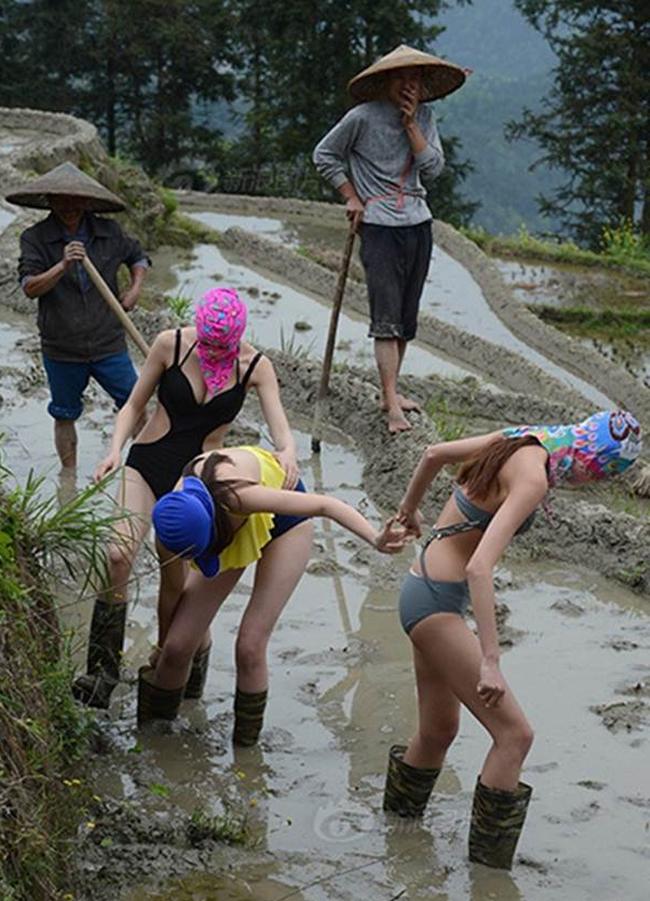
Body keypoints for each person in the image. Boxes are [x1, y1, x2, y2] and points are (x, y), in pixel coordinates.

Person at [383, 410, 642, 869]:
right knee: (514, 736)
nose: (587, 484)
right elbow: (479, 567)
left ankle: (395, 839)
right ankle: (488, 876)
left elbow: (434, 453)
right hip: (436, 604)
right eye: (598, 476)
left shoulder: (522, 437)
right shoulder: (534, 478)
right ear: (592, 463)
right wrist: (491, 660)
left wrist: (408, 512)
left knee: (438, 732)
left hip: (422, 589)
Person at [72, 287, 301, 710]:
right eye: (207, 342)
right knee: (118, 554)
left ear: (237, 337)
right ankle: (101, 672)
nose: (211, 351)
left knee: (175, 582)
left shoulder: (256, 367)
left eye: (220, 346)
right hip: (148, 464)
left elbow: (281, 429)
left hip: (195, 487)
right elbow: (133, 405)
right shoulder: (171, 344)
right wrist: (114, 449)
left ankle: (176, 667)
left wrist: (287, 451)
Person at [139, 444, 409, 743]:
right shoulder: (171, 526)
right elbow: (171, 593)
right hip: (226, 526)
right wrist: (162, 647)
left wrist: (376, 538)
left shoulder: (238, 494)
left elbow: (325, 506)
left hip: (285, 523)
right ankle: (156, 742)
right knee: (177, 648)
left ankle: (246, 751)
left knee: (250, 645)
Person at [313, 45, 466, 434]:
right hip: (379, 225)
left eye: (414, 79)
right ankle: (390, 403)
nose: (408, 85)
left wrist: (412, 125)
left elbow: (433, 168)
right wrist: (351, 196)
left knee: (406, 317)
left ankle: (391, 393)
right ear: (386, 81)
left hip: (418, 222)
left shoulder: (425, 118)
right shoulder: (361, 118)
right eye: (401, 77)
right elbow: (325, 155)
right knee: (386, 318)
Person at [9, 162, 150, 469]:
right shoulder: (35, 238)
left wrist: (135, 289)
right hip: (62, 346)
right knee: (64, 413)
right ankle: (68, 479)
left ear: (87, 201)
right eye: (62, 200)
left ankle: (143, 470)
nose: (69, 207)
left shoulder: (109, 232)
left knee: (135, 405)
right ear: (50, 200)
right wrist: (62, 266)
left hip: (108, 342)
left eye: (76, 200)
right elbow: (30, 287)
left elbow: (138, 257)